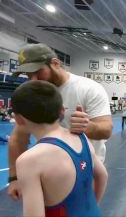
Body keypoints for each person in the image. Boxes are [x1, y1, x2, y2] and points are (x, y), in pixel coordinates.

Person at [8, 43, 113, 201]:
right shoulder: (33, 94)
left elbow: (106, 129)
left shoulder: (89, 89)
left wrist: (88, 127)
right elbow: (18, 138)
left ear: (55, 63)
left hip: (85, 169)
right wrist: (14, 178)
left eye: (38, 72)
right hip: (48, 174)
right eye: (28, 75)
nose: (34, 80)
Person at [12, 80, 108, 216]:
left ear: (18, 119)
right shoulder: (81, 137)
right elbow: (102, 176)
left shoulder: (29, 161)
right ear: (62, 110)